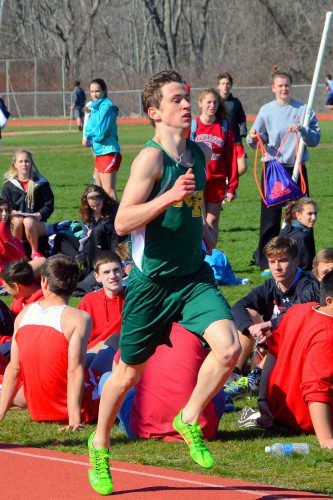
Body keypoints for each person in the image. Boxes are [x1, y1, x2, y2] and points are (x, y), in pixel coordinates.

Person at [87, 70, 240, 495]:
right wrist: (167, 197)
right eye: (176, 100)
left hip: (192, 277)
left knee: (229, 347)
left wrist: (208, 227)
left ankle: (188, 416)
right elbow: (121, 222)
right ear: (155, 113)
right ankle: (99, 444)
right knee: (127, 374)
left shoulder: (198, 151)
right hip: (151, 283)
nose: (186, 104)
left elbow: (204, 198)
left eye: (187, 98)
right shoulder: (150, 160)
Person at [0, 255, 101, 427]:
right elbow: (74, 370)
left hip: (37, 406)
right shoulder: (79, 318)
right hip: (66, 407)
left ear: (44, 282)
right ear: (73, 284)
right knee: (111, 358)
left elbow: (14, 368)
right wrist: (74, 420)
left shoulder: (24, 314)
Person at [247, 67, 320, 270]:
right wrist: (253, 138)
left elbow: (315, 139)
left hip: (296, 168)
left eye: (287, 85)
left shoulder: (304, 110)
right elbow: (252, 139)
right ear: (273, 88)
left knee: (303, 216)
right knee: (270, 219)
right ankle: (266, 263)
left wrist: (303, 131)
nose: (284, 88)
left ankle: (305, 261)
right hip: (273, 171)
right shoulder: (266, 110)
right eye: (280, 85)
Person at [99, 323, 226, 441]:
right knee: (217, 388)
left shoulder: (141, 327)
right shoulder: (201, 329)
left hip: (145, 430)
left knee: (108, 378)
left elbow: (118, 372)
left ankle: (124, 424)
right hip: (201, 430)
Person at [256, 271, 333, 450]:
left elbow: (272, 353)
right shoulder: (328, 336)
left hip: (280, 408)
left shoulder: (299, 310)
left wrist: (263, 400)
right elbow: (317, 388)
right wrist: (327, 439)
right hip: (307, 417)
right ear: (329, 302)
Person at [230, 236, 317, 383]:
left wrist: (268, 327)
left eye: (283, 260)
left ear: (296, 261)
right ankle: (234, 372)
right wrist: (252, 329)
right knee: (247, 313)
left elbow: (294, 316)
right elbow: (237, 307)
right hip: (269, 342)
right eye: (272, 262)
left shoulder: (309, 286)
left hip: (294, 346)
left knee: (287, 329)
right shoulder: (270, 285)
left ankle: (256, 378)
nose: (277, 267)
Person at [191, 87, 238, 242]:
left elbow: (231, 157)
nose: (212, 105)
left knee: (212, 221)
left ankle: (211, 256)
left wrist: (232, 186)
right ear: (200, 103)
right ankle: (198, 255)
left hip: (217, 182)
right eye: (208, 102)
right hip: (197, 181)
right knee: (199, 221)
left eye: (215, 102)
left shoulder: (224, 127)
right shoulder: (192, 126)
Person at [1, 149, 54, 259]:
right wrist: (11, 212)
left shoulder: (41, 183)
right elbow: (3, 205)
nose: (24, 164)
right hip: (16, 224)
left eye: (27, 161)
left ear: (31, 163)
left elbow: (49, 205)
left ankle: (34, 252)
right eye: (20, 161)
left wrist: (40, 214)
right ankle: (17, 251)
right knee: (17, 220)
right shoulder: (8, 185)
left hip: (37, 224)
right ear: (15, 164)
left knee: (28, 221)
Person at [82, 78, 121, 201]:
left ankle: (116, 219)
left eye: (97, 91)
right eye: (92, 91)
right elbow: (88, 130)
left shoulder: (106, 107)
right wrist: (93, 132)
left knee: (109, 191)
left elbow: (99, 134)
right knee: (98, 190)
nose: (94, 94)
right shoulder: (95, 108)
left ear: (104, 91)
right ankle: (101, 219)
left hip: (108, 151)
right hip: (98, 151)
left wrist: (93, 133)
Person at [78, 251, 125, 350]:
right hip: (92, 352)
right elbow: (78, 338)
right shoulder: (88, 301)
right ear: (97, 276)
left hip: (123, 353)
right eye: (106, 272)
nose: (112, 276)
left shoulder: (133, 298)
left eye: (116, 270)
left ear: (123, 270)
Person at [217, 72, 248, 177]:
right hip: (220, 141)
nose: (225, 86)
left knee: (243, 167)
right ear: (218, 85)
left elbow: (242, 118)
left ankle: (229, 180)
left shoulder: (235, 102)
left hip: (236, 140)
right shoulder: (214, 102)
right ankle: (226, 185)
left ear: (231, 85)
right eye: (223, 83)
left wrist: (243, 130)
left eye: (228, 83)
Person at [279, 197, 317, 271]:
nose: (314, 217)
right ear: (298, 215)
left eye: (315, 213)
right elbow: (306, 266)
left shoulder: (286, 229)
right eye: (310, 214)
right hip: (299, 278)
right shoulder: (303, 237)